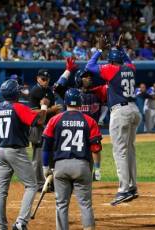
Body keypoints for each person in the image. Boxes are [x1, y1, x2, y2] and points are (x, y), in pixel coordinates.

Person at [86, 35, 141, 206]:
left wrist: (100, 50)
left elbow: (89, 66)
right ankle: (132, 186)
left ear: (110, 61)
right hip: (134, 110)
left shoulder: (112, 69)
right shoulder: (130, 68)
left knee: (120, 152)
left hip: (121, 112)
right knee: (130, 150)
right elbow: (127, 60)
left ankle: (124, 189)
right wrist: (121, 49)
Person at [0, 79, 47, 230]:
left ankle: (1, 226)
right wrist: (44, 106)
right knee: (32, 185)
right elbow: (39, 122)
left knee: (1, 190)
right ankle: (21, 222)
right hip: (16, 151)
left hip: (0, 151)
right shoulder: (19, 107)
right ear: (15, 93)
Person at [42, 88, 102, 230]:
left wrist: (45, 167)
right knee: (85, 204)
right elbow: (96, 149)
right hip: (82, 166)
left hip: (60, 167)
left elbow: (46, 147)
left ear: (65, 102)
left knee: (61, 205)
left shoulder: (55, 119)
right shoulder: (89, 121)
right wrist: (98, 169)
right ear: (80, 102)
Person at [54, 57, 107, 181]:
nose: (89, 78)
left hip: (90, 131)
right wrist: (68, 71)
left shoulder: (96, 93)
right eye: (85, 76)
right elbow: (57, 87)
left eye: (90, 76)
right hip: (73, 131)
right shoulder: (72, 93)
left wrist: (102, 118)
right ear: (79, 79)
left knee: (92, 154)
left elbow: (105, 105)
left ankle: (96, 172)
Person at [29, 69, 62, 191]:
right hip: (37, 127)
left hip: (49, 126)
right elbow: (32, 112)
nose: (46, 81)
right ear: (38, 79)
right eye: (43, 79)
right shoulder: (35, 91)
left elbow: (52, 109)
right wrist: (50, 110)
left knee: (51, 154)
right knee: (38, 156)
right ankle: (38, 184)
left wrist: (55, 112)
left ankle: (50, 182)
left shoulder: (49, 91)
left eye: (47, 79)